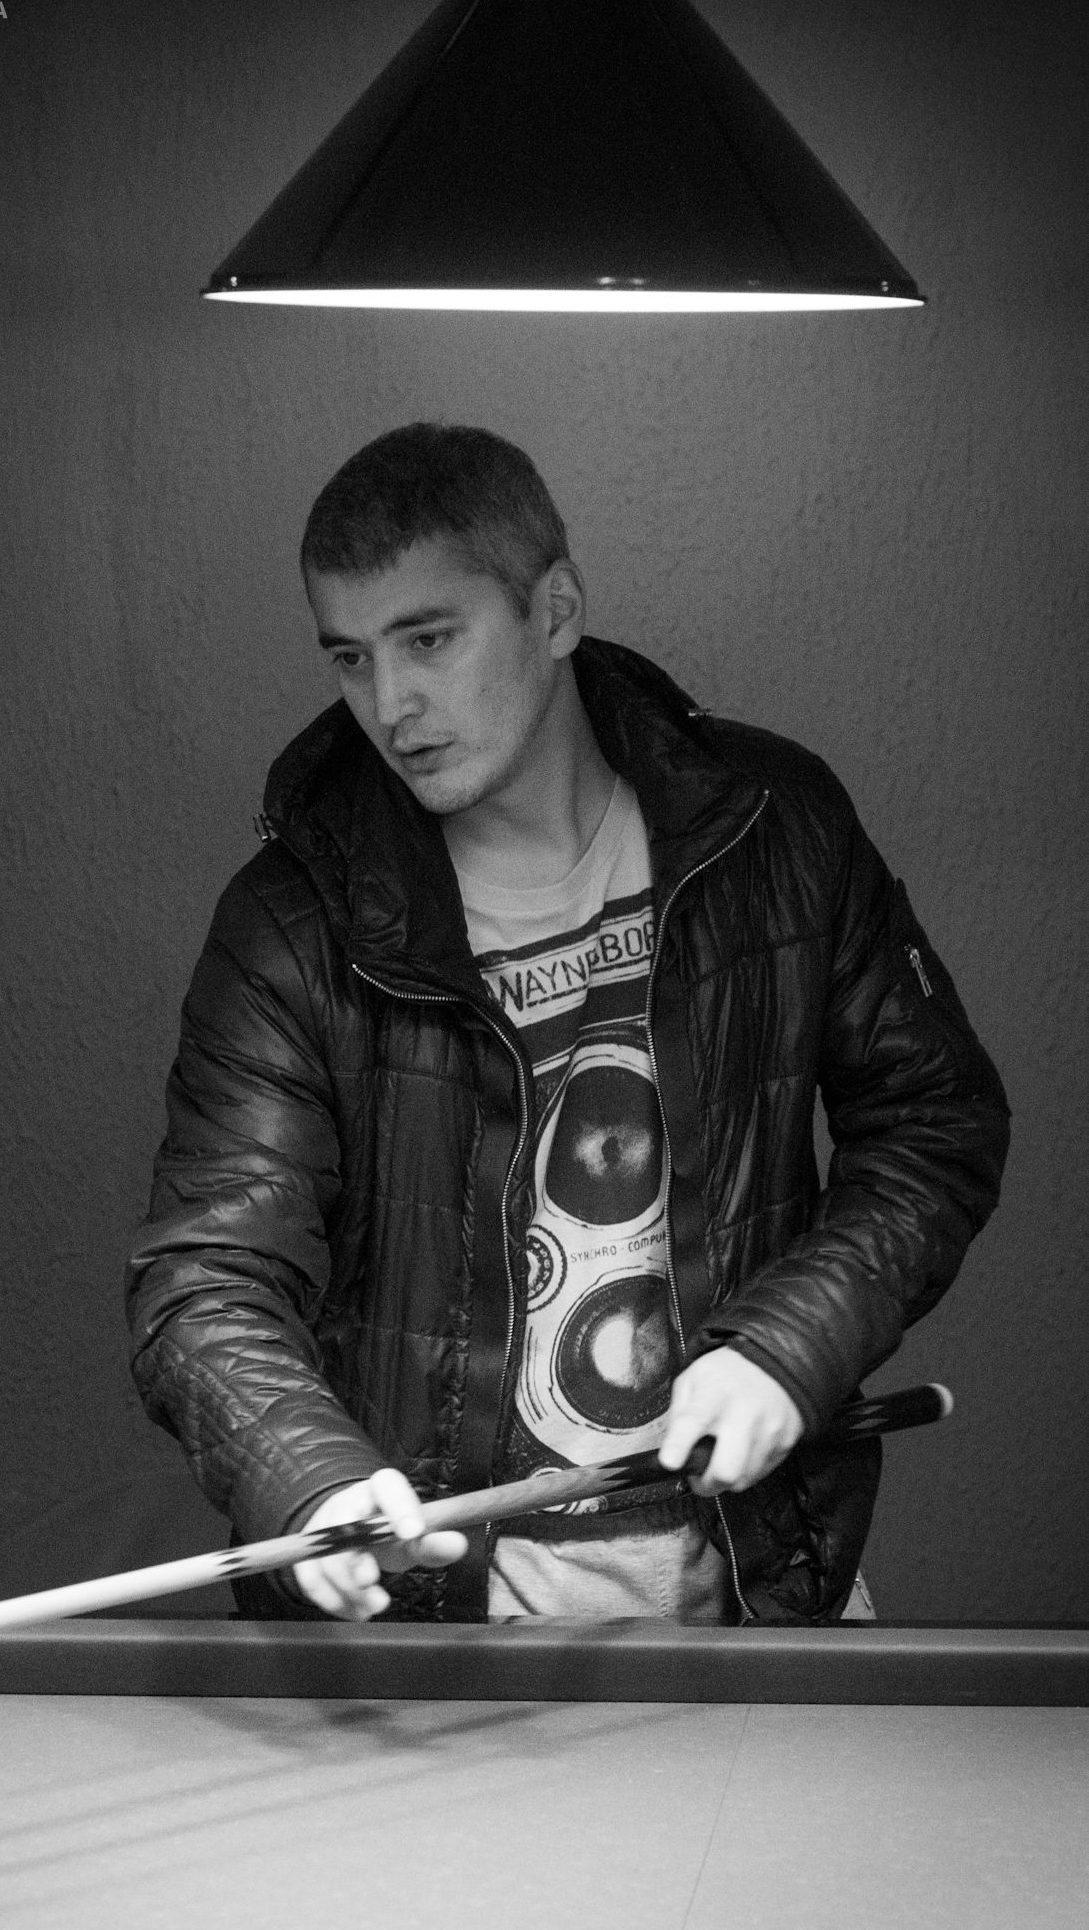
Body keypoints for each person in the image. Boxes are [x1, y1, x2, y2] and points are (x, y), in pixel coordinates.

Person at [126, 423, 1009, 1626]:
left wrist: (788, 1343)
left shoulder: (769, 827)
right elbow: (205, 1272)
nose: (390, 703)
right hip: (433, 1617)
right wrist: (308, 1477)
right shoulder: (291, 921)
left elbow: (934, 1124)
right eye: (349, 656)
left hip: (758, 1580)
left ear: (554, 609)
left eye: (428, 638)